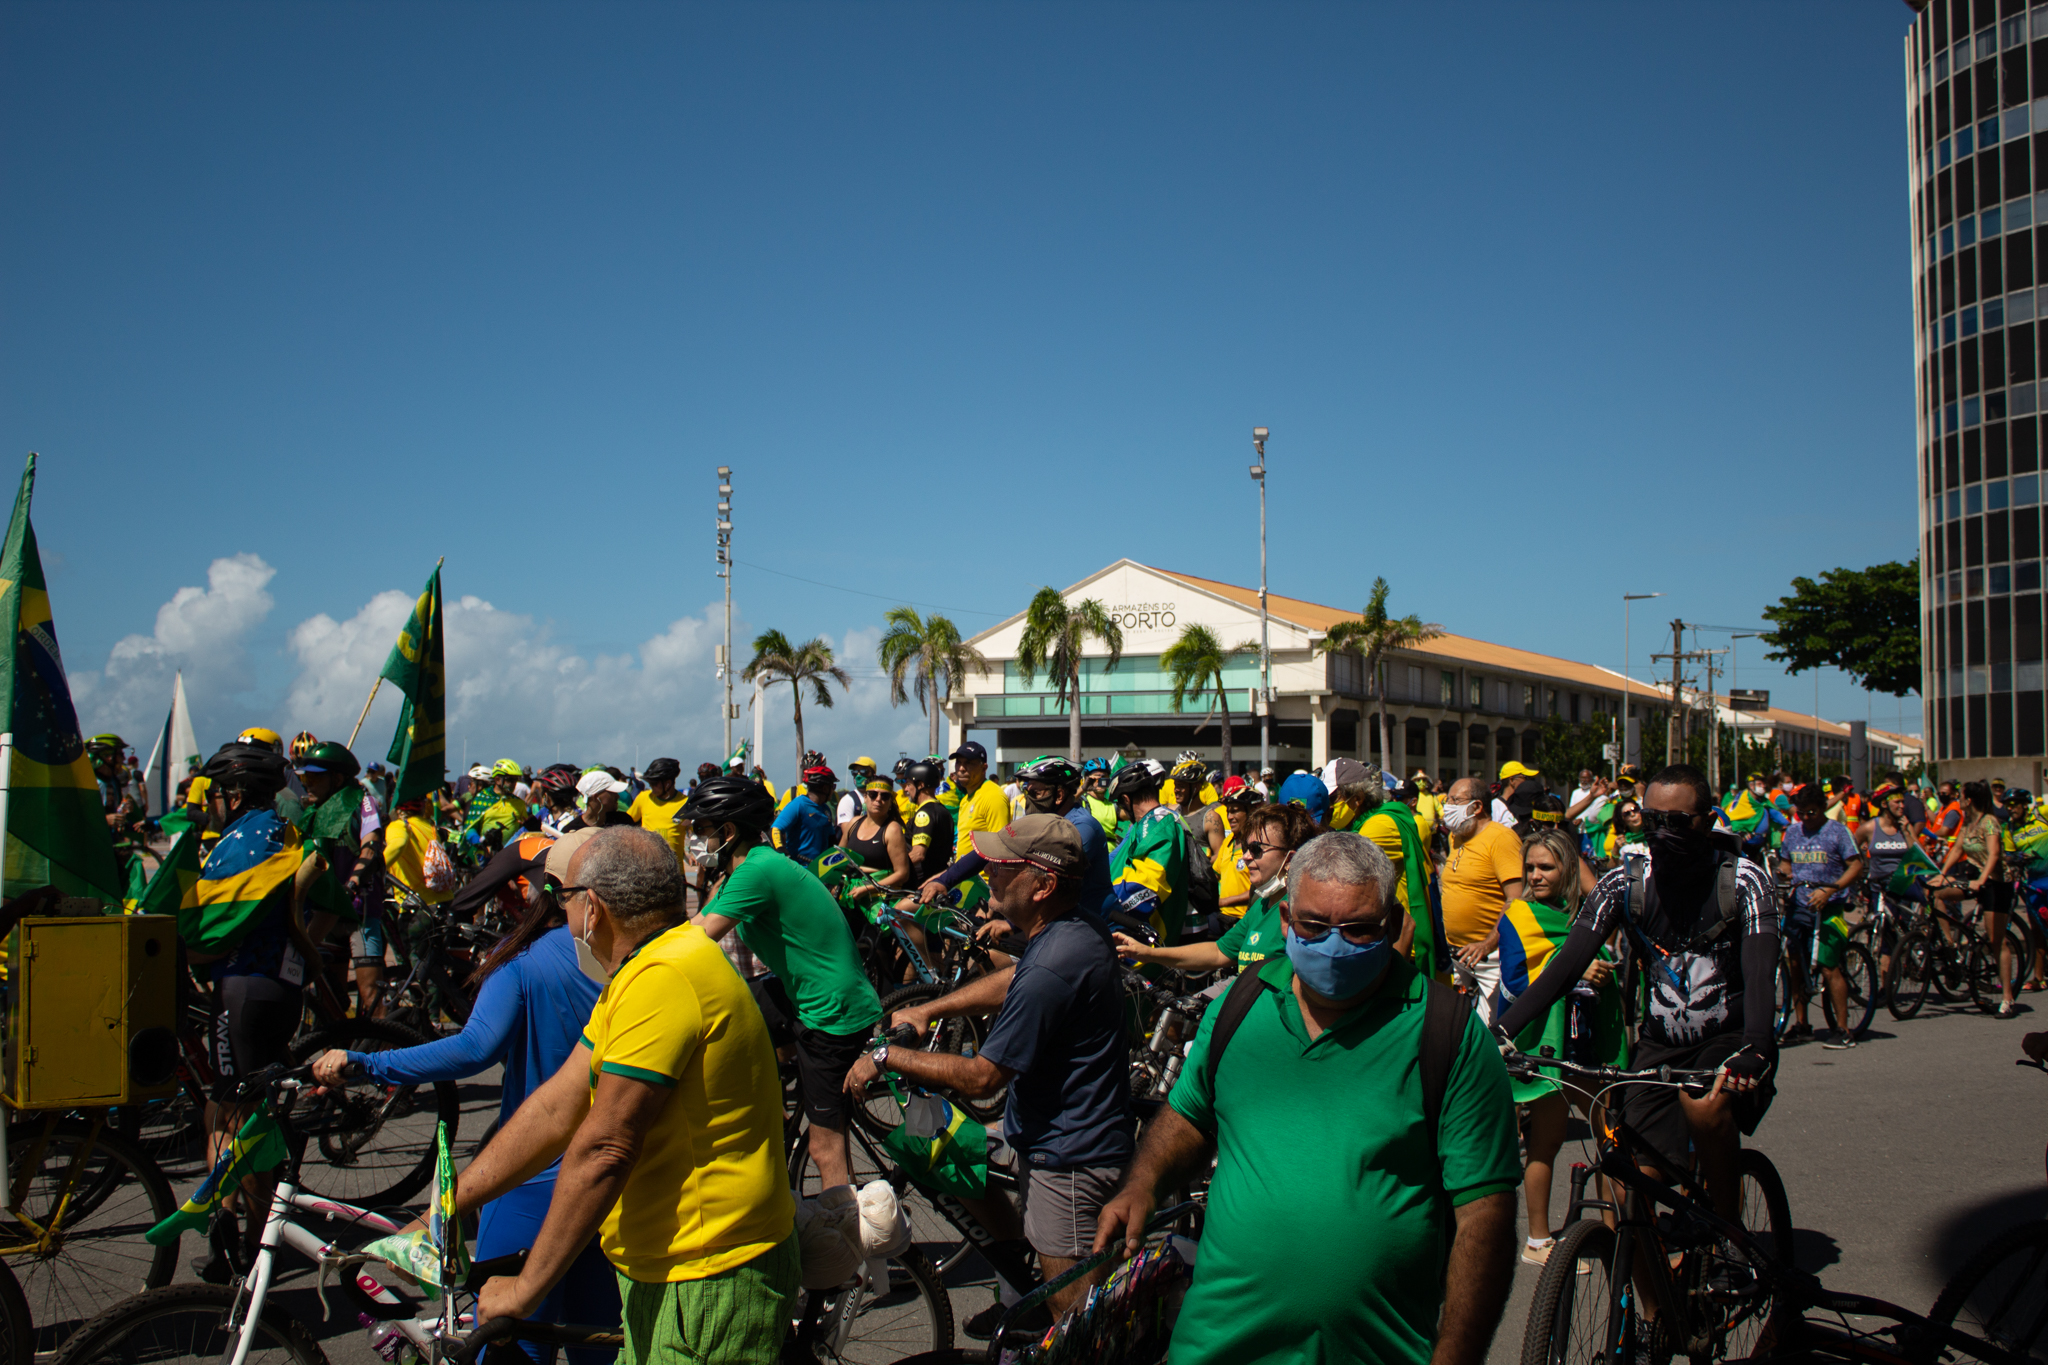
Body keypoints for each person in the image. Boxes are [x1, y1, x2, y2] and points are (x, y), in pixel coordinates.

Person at [1095, 832, 1520, 1365]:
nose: (1334, 945)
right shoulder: (1241, 1005)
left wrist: (1456, 1355)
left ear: (1392, 926)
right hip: (1214, 1344)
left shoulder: (1448, 1033)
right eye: (1315, 926)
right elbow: (1191, 1113)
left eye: (1358, 928)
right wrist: (1142, 1184)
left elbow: (1486, 1215)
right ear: (1285, 923)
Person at [437, 827, 798, 1365]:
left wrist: (524, 1289)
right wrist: (446, 1207)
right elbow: (557, 1106)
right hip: (674, 1270)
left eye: (563, 898)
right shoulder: (645, 971)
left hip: (706, 1276)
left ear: (594, 909)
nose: (559, 913)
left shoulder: (664, 978)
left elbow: (604, 1147)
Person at [313, 829, 616, 1362]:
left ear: (543, 891)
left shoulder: (520, 963)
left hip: (530, 1181)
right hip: (612, 1184)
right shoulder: (628, 963)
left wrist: (368, 1062)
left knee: (511, 1345)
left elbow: (473, 1049)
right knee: (600, 1345)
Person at [851, 815, 1133, 1323]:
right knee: (954, 1159)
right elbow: (1014, 982)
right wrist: (929, 1010)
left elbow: (983, 1077)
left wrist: (885, 1056)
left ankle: (1040, 1310)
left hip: (1066, 1160)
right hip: (1051, 1129)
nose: (989, 875)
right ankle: (1021, 1289)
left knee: (1079, 1329)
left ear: (1043, 885)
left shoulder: (1056, 960)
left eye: (1003, 866)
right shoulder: (1068, 928)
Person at [1496, 764, 1778, 1235]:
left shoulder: (1744, 881)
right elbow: (1565, 967)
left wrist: (1758, 1046)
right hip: (1660, 1045)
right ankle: (1655, 1309)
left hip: (1729, 1039)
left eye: (1678, 822)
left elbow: (1760, 975)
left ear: (1707, 822)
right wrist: (1500, 1033)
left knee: (1703, 1105)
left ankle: (1728, 1233)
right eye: (1652, 821)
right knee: (1626, 1189)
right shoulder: (1624, 883)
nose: (1662, 833)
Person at [687, 774, 884, 1193]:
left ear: (727, 832)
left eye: (700, 831)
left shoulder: (757, 872)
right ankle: (770, 1108)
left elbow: (697, 941)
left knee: (825, 1147)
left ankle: (848, 1231)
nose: (694, 842)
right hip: (804, 993)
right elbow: (697, 924)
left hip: (833, 1013)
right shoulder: (746, 868)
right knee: (732, 1011)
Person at [1493, 826, 1624, 1268]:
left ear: (1569, 869)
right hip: (1546, 1047)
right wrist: (1574, 972)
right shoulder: (1516, 916)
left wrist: (1605, 975)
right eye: (1529, 867)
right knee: (1544, 1143)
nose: (1534, 876)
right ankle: (1537, 1239)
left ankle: (1615, 1234)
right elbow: (1514, 982)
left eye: (1545, 867)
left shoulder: (1589, 914)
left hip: (1589, 1044)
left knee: (1610, 1141)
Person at [1114, 801, 1320, 974]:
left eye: (1257, 849)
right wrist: (1148, 954)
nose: (1246, 856)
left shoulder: (1304, 917)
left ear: (1291, 858)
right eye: (1247, 848)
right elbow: (1218, 952)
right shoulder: (1262, 905)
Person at [1775, 784, 1867, 1047]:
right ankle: (1801, 1024)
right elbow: (1786, 863)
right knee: (1794, 965)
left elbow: (1856, 866)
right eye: (1800, 813)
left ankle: (1842, 1029)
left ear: (1823, 808)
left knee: (1828, 966)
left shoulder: (1838, 832)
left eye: (1811, 813)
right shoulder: (1792, 833)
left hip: (1829, 908)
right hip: (1799, 904)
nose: (1805, 818)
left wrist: (1831, 889)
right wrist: (1783, 875)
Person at [1933, 779, 2020, 1018]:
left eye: (1960, 796)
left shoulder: (1990, 822)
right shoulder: (1968, 823)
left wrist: (1982, 879)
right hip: (1974, 878)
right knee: (1937, 895)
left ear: (1968, 800)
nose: (1958, 800)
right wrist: (1941, 875)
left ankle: (2007, 998)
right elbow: (1957, 850)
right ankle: (1951, 946)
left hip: (1996, 883)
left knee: (1996, 941)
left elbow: (1993, 854)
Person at [1438, 776, 1524, 1012]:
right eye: (1448, 799)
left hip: (1491, 957)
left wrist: (1488, 943)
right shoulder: (1455, 837)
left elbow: (1515, 899)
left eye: (1455, 800)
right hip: (1458, 954)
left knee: (1495, 1028)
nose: (1448, 806)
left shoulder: (1501, 838)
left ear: (1476, 807)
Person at [1105, 759, 1191, 943]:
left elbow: (1146, 889)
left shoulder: (1160, 825)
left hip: (1148, 942)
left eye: (1120, 804)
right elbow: (1115, 861)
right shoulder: (1143, 824)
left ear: (1126, 799)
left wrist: (1103, 904)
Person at [838, 774, 912, 905]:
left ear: (890, 801)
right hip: (849, 895)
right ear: (865, 797)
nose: (878, 800)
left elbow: (902, 874)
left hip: (878, 901)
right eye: (873, 794)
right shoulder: (853, 823)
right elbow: (838, 858)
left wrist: (868, 889)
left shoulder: (892, 829)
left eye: (885, 796)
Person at [948, 741, 1013, 863]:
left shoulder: (993, 795)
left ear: (984, 768)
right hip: (966, 878)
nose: (961, 768)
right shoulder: (966, 800)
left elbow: (1001, 847)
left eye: (968, 763)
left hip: (984, 879)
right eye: (959, 763)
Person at [900, 760, 956, 886]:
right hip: (937, 879)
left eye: (909, 784)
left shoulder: (923, 814)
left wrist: (894, 870)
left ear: (920, 785)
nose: (906, 789)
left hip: (919, 884)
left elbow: (918, 854)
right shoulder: (942, 811)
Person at [627, 758, 689, 868]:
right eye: (649, 783)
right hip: (647, 870)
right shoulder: (643, 798)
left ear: (668, 783)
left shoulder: (685, 803)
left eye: (654, 783)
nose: (651, 786)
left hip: (674, 872)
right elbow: (626, 822)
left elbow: (698, 833)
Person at [770, 763, 838, 862]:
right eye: (833, 787)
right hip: (799, 868)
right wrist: (781, 850)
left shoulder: (826, 809)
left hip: (820, 870)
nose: (833, 791)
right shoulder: (798, 805)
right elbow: (776, 829)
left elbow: (832, 840)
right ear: (825, 788)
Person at [566, 769, 633, 833]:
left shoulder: (624, 822)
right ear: (596, 797)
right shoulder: (572, 830)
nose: (617, 796)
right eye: (612, 792)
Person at [835, 757, 879, 828]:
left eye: (863, 771)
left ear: (873, 775)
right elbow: (847, 832)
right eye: (855, 772)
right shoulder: (848, 800)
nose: (858, 776)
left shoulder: (880, 798)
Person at [1494, 761, 1541, 827]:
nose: (1527, 782)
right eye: (1525, 777)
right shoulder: (1495, 807)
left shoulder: (1526, 806)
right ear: (1512, 780)